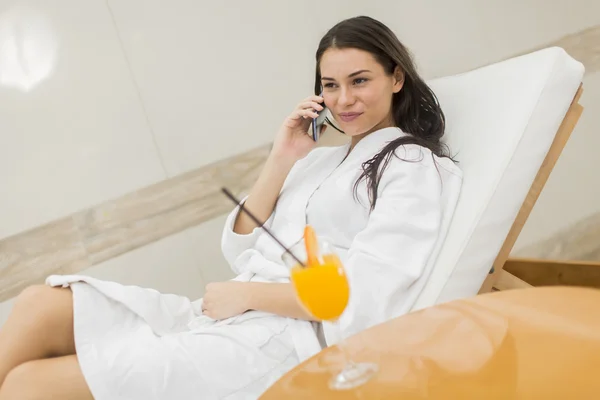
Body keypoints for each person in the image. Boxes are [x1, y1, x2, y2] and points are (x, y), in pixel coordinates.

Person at [0, 15, 462, 399]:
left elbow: (367, 298)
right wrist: (283, 158)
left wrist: (247, 296)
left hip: (284, 341)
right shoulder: (321, 159)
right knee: (39, 304)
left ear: (396, 77)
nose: (343, 100)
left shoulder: (410, 164)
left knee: (27, 386)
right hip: (227, 313)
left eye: (359, 81)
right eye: (331, 85)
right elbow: (241, 248)